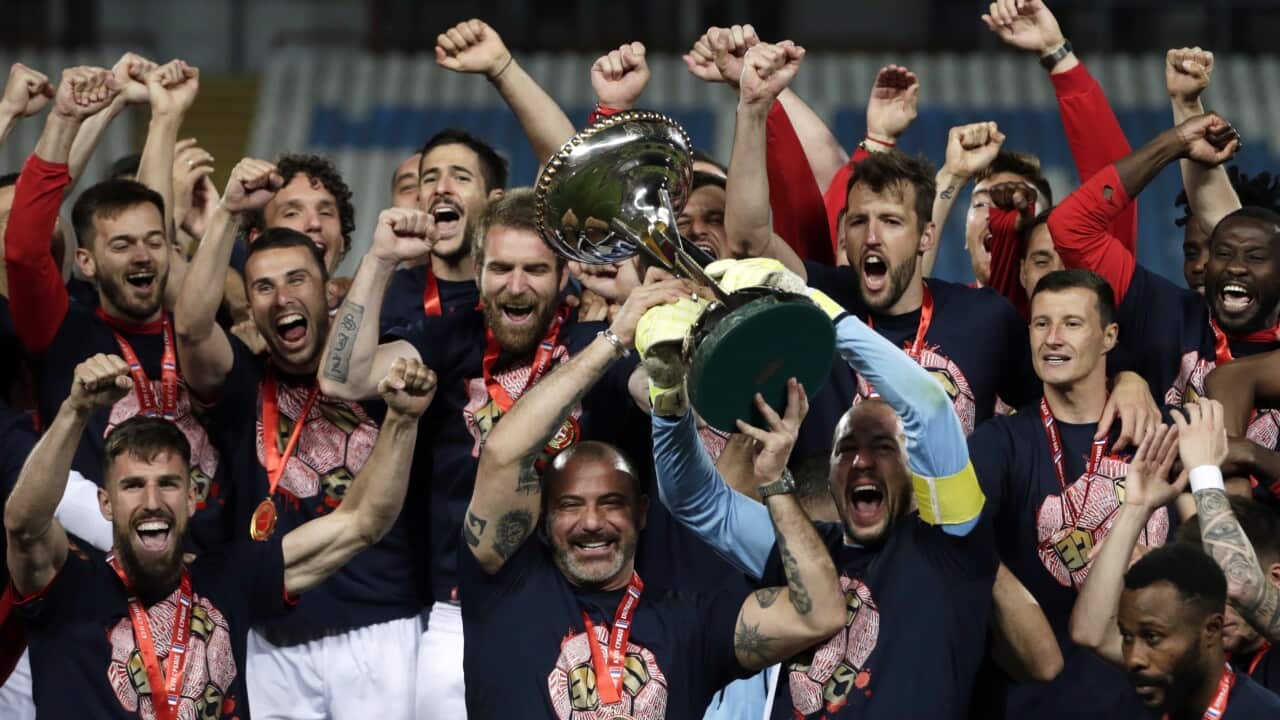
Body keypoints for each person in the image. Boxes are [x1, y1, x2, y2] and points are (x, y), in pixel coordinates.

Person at [646, 256, 1029, 718]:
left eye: (884, 448)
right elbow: (692, 498)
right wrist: (666, 393)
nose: (862, 461)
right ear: (828, 475)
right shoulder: (807, 548)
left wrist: (812, 304)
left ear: (917, 470)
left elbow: (928, 406)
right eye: (845, 449)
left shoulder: (953, 541)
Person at [459, 272, 844, 719]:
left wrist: (774, 481)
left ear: (642, 512)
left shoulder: (688, 624)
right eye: (570, 505)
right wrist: (615, 339)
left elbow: (819, 614)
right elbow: (503, 453)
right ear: (543, 517)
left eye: (612, 503)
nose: (592, 522)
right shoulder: (506, 586)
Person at [3, 351, 433, 718]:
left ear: (192, 497)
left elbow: (362, 521)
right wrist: (75, 410)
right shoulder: (67, 590)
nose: (152, 501)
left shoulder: (228, 580)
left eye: (168, 484)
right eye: (132, 486)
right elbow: (23, 525)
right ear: (105, 503)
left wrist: (402, 421)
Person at [174, 157, 432, 719]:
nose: (282, 297)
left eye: (297, 280)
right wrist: (228, 212)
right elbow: (191, 328)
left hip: (379, 627)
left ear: (328, 288)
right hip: (272, 638)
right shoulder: (241, 378)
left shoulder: (383, 364)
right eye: (263, 287)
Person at [2, 62, 237, 551]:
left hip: (211, 562)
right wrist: (64, 119)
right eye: (122, 245)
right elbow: (24, 250)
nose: (142, 255)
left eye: (153, 242)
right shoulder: (64, 330)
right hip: (106, 565)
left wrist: (165, 116)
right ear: (85, 261)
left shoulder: (196, 328)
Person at [969, 269, 1172, 719]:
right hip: (1034, 706)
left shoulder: (1159, 432)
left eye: (1072, 323)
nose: (1053, 339)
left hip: (1148, 705)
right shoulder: (997, 444)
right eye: (1041, 323)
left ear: (1109, 336)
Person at [1175, 494, 1280, 692]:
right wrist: (1135, 509)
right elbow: (1107, 641)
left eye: (1225, 588)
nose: (1217, 609)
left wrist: (1204, 477)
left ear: (1276, 578)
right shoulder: (1205, 663)